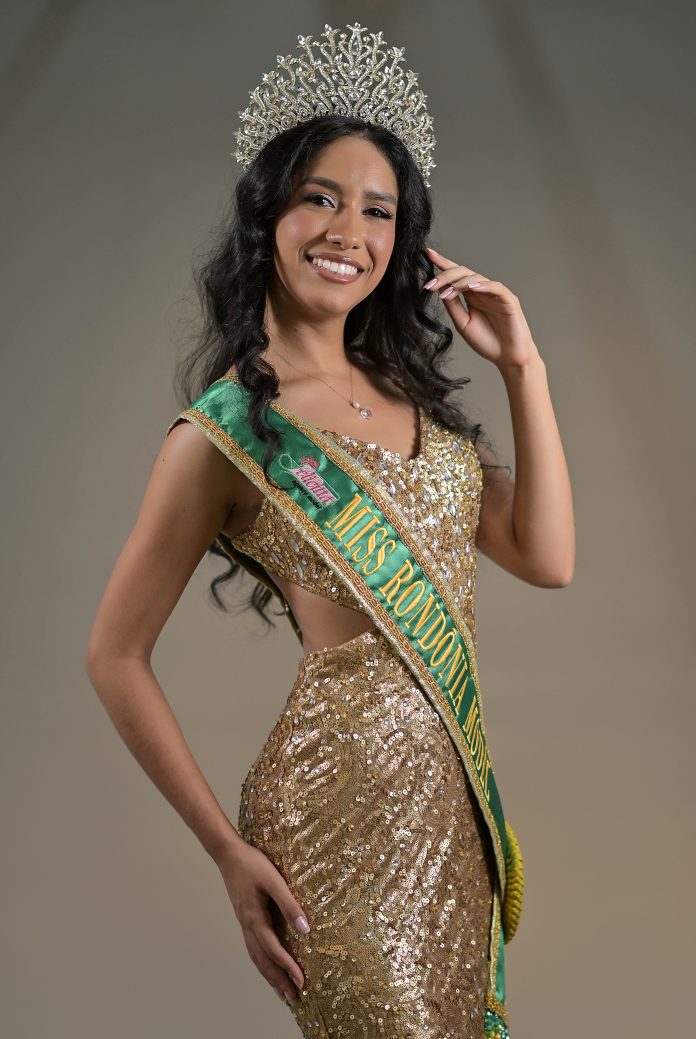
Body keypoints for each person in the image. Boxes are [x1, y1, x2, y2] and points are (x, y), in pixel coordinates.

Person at [85, 23, 574, 1039]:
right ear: (269, 216)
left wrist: (523, 368)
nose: (348, 229)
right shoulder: (226, 432)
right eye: (320, 197)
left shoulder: (419, 407)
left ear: (402, 240)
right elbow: (114, 654)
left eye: (377, 210)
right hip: (333, 819)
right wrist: (226, 851)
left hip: (451, 827)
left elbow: (547, 557)